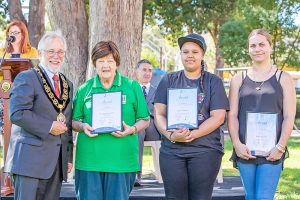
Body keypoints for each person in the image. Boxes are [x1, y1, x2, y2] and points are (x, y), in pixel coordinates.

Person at [154, 33, 229, 200]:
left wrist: (192, 134)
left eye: (195, 52)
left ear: (202, 55)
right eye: (185, 51)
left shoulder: (213, 82)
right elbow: (159, 114)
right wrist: (171, 135)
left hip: (205, 149)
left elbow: (218, 117)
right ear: (180, 54)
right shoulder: (168, 80)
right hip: (172, 150)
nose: (190, 55)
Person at [72, 41, 150, 200]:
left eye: (110, 61)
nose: (105, 65)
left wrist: (132, 129)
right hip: (89, 162)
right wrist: (82, 126)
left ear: (117, 63)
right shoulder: (84, 89)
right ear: (95, 64)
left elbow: (145, 119)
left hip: (122, 161)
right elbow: (73, 121)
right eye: (101, 61)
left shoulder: (132, 86)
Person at [4, 31, 73, 200]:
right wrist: (49, 126)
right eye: (51, 51)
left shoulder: (67, 83)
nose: (56, 56)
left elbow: (67, 122)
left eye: (60, 52)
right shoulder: (26, 77)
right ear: (40, 53)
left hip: (56, 164)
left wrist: (68, 156)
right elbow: (17, 113)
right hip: (29, 163)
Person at [228, 29, 296, 200]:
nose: (257, 49)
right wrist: (236, 143)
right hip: (245, 149)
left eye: (262, 44)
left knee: (264, 197)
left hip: (272, 150)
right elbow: (232, 115)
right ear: (248, 49)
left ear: (270, 48)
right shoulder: (238, 79)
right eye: (253, 45)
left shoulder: (284, 78)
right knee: (250, 197)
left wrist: (280, 147)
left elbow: (289, 116)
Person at [134, 59, 161, 186]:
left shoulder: (158, 91)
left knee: (139, 129)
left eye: (150, 70)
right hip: (134, 127)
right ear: (136, 72)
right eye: (144, 70)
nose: (147, 73)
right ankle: (127, 173)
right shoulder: (131, 90)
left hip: (153, 128)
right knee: (137, 131)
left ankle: (135, 175)